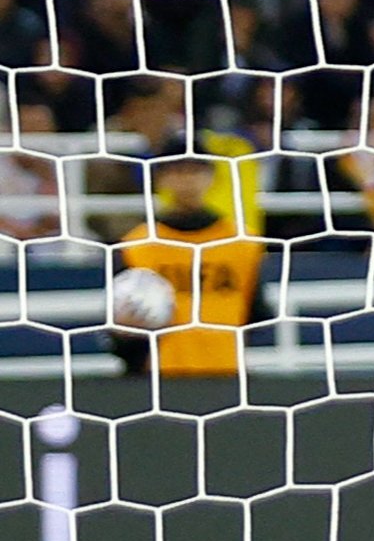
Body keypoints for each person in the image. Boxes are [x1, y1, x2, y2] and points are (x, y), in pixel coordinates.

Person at [112, 146, 268, 377]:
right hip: (159, 374)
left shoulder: (242, 242)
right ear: (160, 178)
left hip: (227, 370)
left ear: (212, 177)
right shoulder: (136, 245)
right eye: (177, 171)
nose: (187, 179)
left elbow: (257, 314)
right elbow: (119, 327)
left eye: (195, 170)